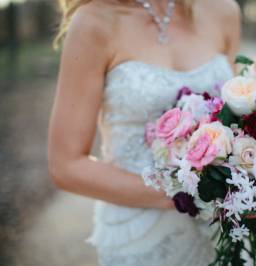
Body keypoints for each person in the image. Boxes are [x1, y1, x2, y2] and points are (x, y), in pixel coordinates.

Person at [47, 0, 240, 265]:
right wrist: (190, 194)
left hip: (221, 231)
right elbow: (65, 166)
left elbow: (234, 117)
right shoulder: (94, 22)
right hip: (141, 236)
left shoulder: (224, 11)